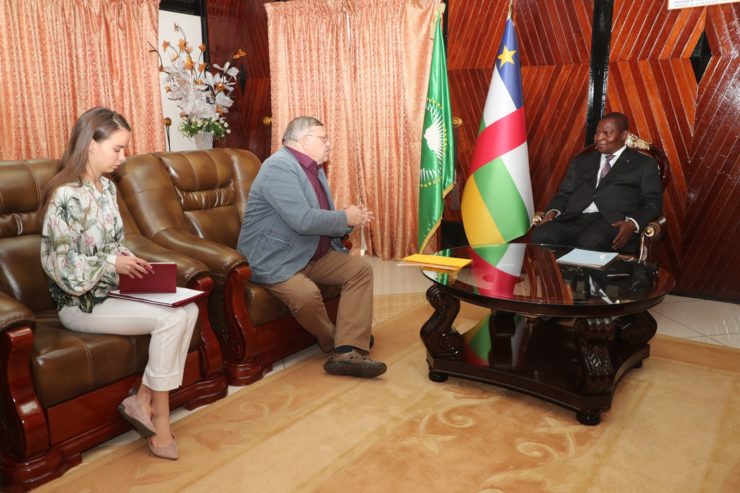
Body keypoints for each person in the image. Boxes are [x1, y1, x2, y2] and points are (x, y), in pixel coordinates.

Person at [40, 107, 197, 460]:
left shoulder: (107, 189)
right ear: (90, 145)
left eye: (124, 149)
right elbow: (62, 267)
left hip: (112, 290)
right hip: (80, 304)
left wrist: (130, 261)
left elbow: (113, 243)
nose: (122, 157)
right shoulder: (65, 196)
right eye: (117, 148)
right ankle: (160, 418)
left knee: (188, 309)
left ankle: (142, 399)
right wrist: (112, 262)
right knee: (172, 319)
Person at [237, 116, 386, 378]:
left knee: (360, 269)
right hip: (276, 258)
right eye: (323, 138)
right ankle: (337, 342)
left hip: (310, 252)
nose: (329, 144)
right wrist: (346, 217)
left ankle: (348, 349)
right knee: (306, 295)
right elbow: (303, 220)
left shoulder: (313, 168)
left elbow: (317, 216)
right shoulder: (278, 167)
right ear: (303, 140)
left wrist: (346, 221)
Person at [530, 112, 663, 253]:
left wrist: (632, 223)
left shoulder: (644, 164)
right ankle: (554, 269)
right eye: (597, 133)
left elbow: (652, 202)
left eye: (607, 133)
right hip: (576, 217)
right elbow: (564, 193)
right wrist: (553, 211)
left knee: (590, 241)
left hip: (614, 221)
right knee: (542, 235)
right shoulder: (581, 161)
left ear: (624, 135)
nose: (599, 138)